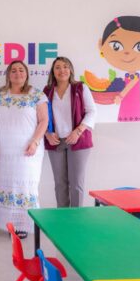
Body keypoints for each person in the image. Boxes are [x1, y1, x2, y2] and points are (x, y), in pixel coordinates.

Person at [0, 60, 48, 239]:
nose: (18, 73)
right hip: (4, 149)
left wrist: (35, 141)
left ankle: (24, 225)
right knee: (7, 185)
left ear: (27, 73)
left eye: (21, 70)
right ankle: (9, 224)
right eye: (14, 70)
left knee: (25, 186)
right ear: (8, 74)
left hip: (28, 149)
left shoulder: (36, 95)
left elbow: (43, 121)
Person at [44, 57, 97, 207]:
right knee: (59, 184)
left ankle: (76, 217)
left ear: (71, 70)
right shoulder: (47, 91)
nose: (62, 70)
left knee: (76, 184)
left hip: (78, 141)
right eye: (58, 67)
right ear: (53, 72)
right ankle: (63, 216)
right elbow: (41, 116)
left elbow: (92, 111)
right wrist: (47, 133)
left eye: (65, 66)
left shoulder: (80, 88)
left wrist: (78, 132)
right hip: (55, 142)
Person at [98, 16, 140, 121]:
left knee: (130, 115)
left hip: (130, 101)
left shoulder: (134, 76)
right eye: (116, 46)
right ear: (102, 47)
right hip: (127, 101)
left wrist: (120, 96)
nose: (127, 53)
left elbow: (131, 85)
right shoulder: (128, 75)